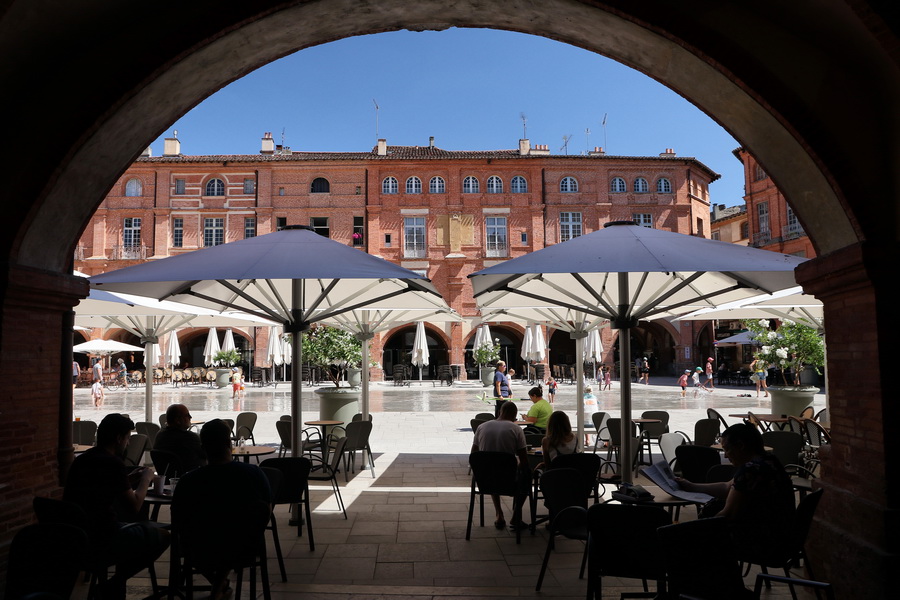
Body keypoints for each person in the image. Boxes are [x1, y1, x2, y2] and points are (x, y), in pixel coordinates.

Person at [64, 413, 170, 600]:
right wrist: (145, 480)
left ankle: (114, 586)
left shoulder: (83, 460)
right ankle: (115, 582)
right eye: (128, 438)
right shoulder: (113, 463)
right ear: (119, 438)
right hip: (105, 535)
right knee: (163, 536)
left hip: (77, 535)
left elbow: (103, 486)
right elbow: (134, 507)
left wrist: (129, 479)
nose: (128, 444)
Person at [172, 419, 271, 600]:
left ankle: (218, 586)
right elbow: (265, 511)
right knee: (228, 541)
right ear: (229, 444)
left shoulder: (188, 482)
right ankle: (219, 586)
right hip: (243, 547)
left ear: (203, 448)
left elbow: (178, 519)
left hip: (199, 549)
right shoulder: (254, 474)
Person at [675, 423, 795, 560]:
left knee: (682, 542)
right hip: (781, 537)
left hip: (763, 543)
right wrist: (692, 486)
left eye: (727, 449)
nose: (726, 456)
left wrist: (695, 530)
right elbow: (728, 487)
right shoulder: (769, 461)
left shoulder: (750, 471)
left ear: (740, 446)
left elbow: (727, 515)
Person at [470, 401, 531, 530]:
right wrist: (517, 464)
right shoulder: (516, 429)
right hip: (509, 480)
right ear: (514, 415)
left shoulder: (482, 427)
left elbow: (473, 454)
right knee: (527, 477)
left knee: (492, 468)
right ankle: (516, 515)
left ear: (499, 412)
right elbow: (524, 460)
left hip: (485, 480)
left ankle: (499, 514)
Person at [153, 404, 206, 474]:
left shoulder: (160, 435)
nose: (190, 417)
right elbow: (205, 454)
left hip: (167, 476)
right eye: (187, 415)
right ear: (177, 420)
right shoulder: (189, 437)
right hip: (190, 476)